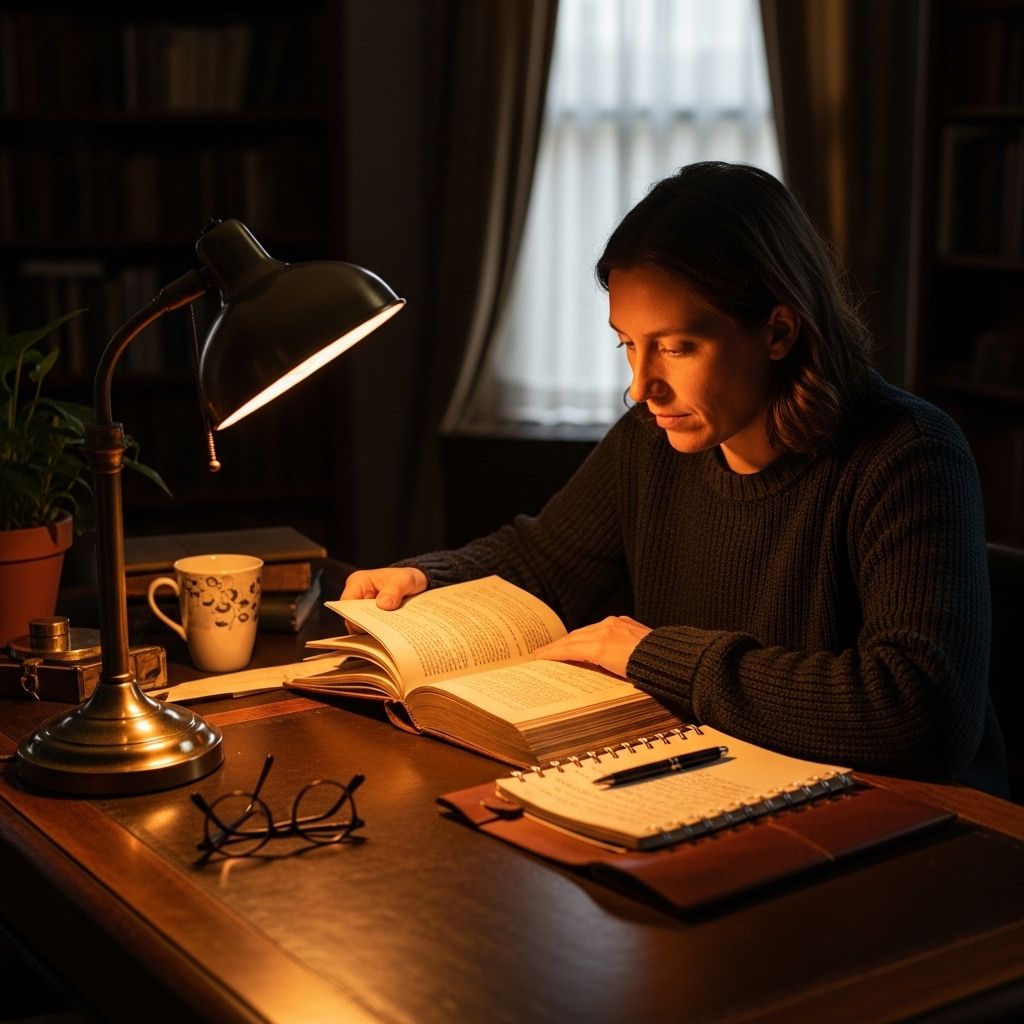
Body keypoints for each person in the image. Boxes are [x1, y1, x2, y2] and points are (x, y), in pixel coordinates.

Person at [343, 161, 1008, 797]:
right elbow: (546, 562)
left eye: (677, 347)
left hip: (913, 824)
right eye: (627, 343)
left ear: (778, 331)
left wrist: (652, 655)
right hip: (724, 779)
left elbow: (921, 711)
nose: (641, 386)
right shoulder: (655, 441)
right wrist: (428, 579)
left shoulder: (907, 454)